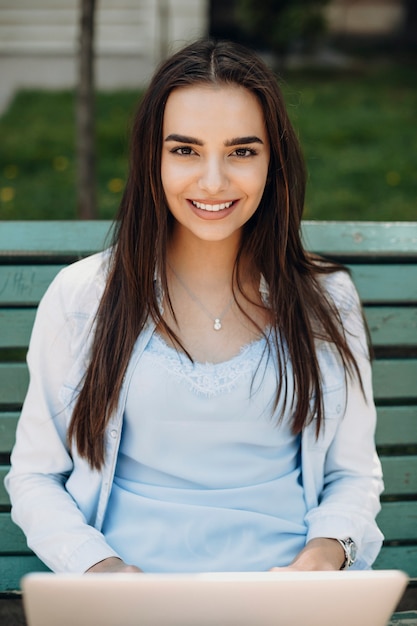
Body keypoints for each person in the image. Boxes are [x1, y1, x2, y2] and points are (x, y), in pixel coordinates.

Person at [5, 39, 384, 575]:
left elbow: (353, 473)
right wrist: (101, 570)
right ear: (151, 158)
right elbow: (36, 475)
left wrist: (324, 558)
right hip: (134, 601)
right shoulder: (82, 297)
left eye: (241, 151)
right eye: (185, 150)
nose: (213, 181)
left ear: (273, 162)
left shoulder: (327, 300)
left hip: (286, 599)